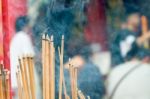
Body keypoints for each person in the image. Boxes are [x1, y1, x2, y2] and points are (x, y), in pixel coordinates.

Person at [10, 16, 34, 98]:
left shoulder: (15, 38)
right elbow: (29, 56)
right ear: (24, 26)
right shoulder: (24, 37)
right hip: (24, 79)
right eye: (28, 25)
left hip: (16, 79)